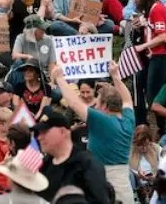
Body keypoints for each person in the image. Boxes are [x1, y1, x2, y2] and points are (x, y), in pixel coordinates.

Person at [53, 61, 136, 204]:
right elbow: (127, 99)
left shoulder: (102, 120)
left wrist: (60, 78)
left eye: (97, 104)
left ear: (105, 105)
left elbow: (74, 103)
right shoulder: (128, 119)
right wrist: (115, 76)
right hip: (124, 186)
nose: (95, 107)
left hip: (105, 185)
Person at [34, 109, 112, 204]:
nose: (39, 137)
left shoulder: (86, 163)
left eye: (45, 132)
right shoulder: (45, 165)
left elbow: (100, 200)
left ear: (62, 132)